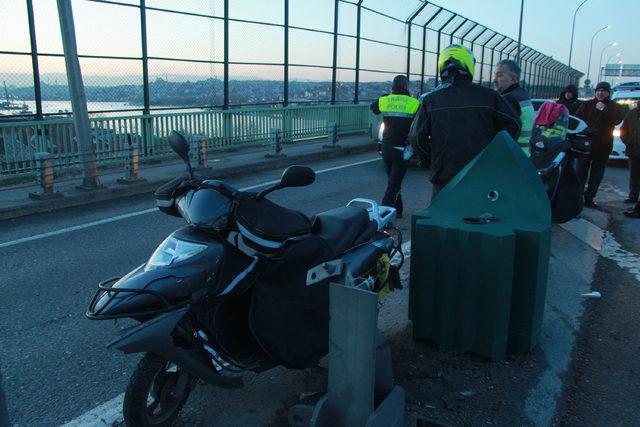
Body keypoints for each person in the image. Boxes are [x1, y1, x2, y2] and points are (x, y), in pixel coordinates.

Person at [408, 45, 521, 200]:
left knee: (441, 218)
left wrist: (432, 161)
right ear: (468, 66)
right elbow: (514, 124)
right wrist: (492, 153)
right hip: (480, 172)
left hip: (444, 174)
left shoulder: (430, 100)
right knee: (477, 218)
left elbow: (416, 137)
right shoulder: (489, 96)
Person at [370, 75, 419, 218]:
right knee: (393, 184)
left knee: (393, 181)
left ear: (393, 86)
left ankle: (398, 210)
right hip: (402, 149)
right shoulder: (414, 103)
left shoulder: (386, 100)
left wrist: (384, 97)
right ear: (407, 86)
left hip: (385, 147)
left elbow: (373, 108)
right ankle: (383, 216)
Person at [574, 81, 625, 208]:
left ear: (608, 93)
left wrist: (604, 110)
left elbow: (617, 119)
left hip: (603, 145)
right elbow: (577, 119)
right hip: (586, 144)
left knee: (596, 175)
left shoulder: (613, 106)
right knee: (580, 172)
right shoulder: (587, 105)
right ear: (595, 92)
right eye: (598, 90)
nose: (600, 93)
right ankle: (576, 197)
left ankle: (589, 198)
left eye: (604, 91)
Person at [493, 59, 534, 155]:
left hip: (511, 156)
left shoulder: (509, 99)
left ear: (513, 79)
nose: (494, 80)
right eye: (494, 75)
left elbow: (500, 132)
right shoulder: (523, 95)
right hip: (523, 154)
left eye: (499, 75)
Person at [620, 101, 640, 204]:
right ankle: (633, 196)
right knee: (634, 176)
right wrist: (628, 142)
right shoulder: (632, 113)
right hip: (634, 151)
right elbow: (623, 129)